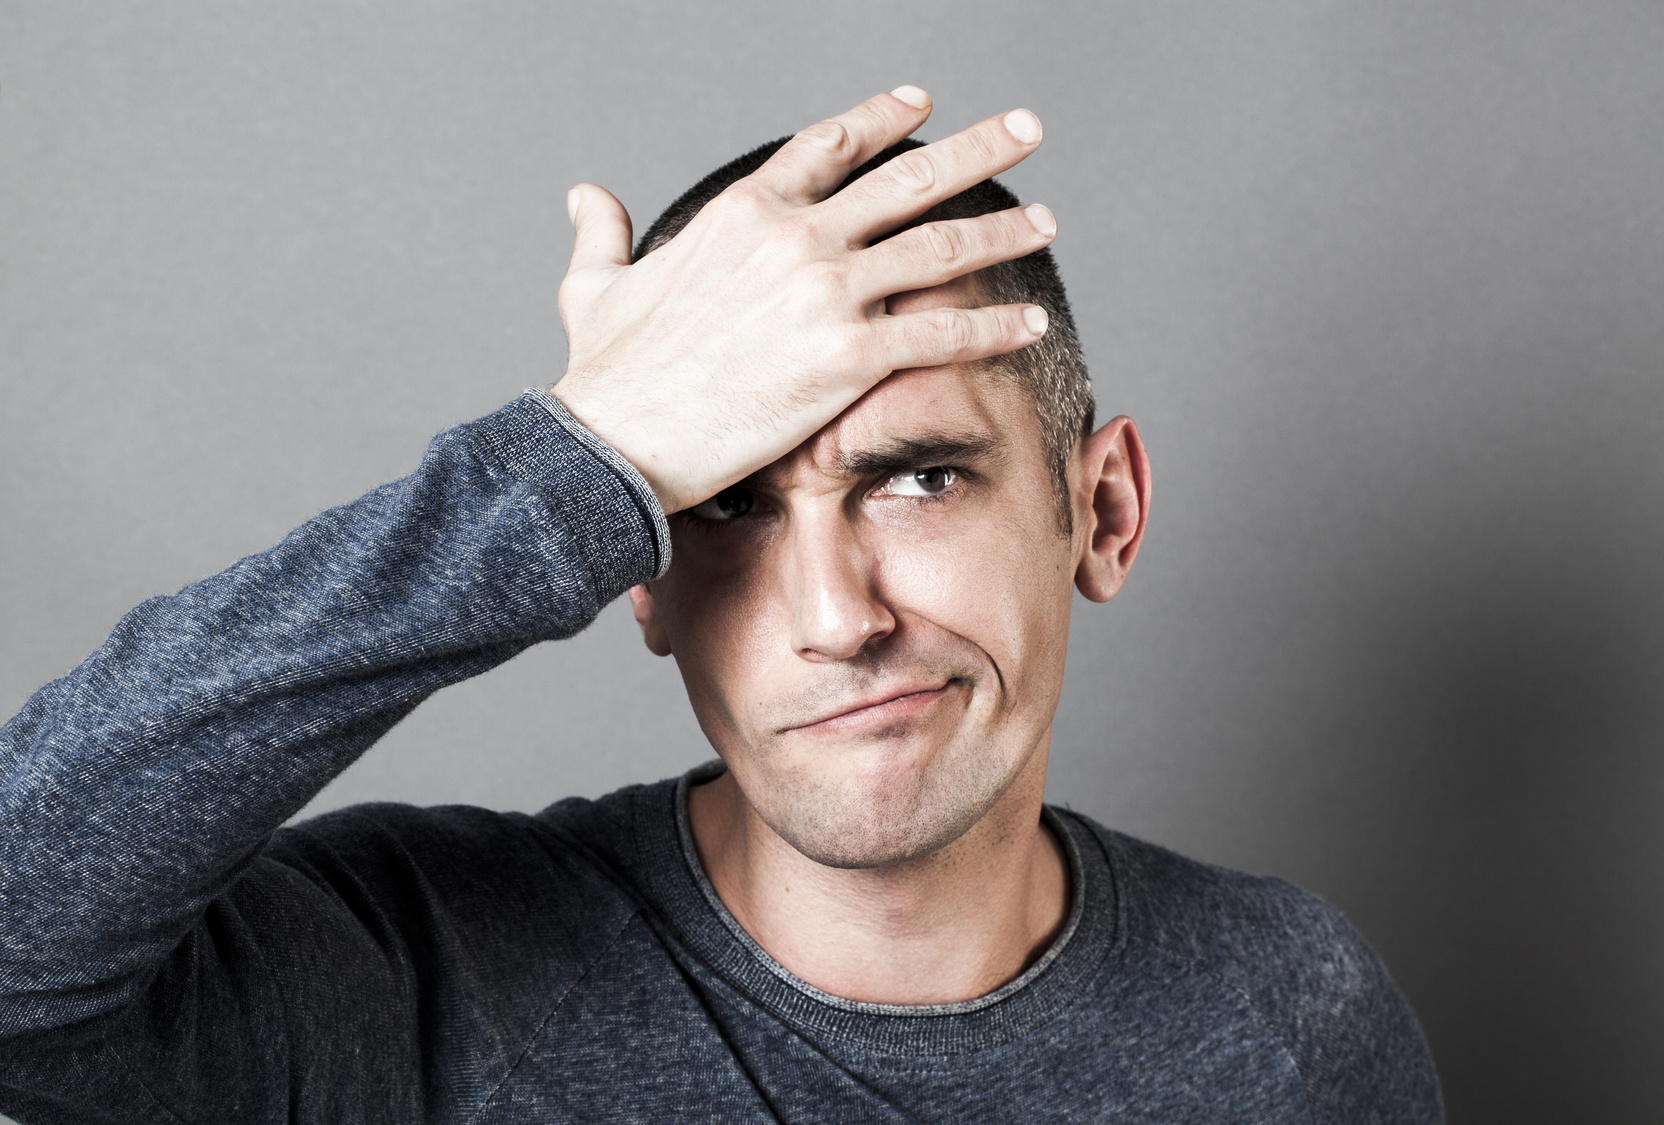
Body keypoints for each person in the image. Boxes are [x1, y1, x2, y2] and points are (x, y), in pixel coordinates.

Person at [0, 88, 1442, 1122]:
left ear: (1102, 509)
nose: (834, 613)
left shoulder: (1288, 1016)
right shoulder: (404, 973)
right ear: (635, 576)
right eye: (725, 508)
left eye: (919, 479)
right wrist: (586, 453)